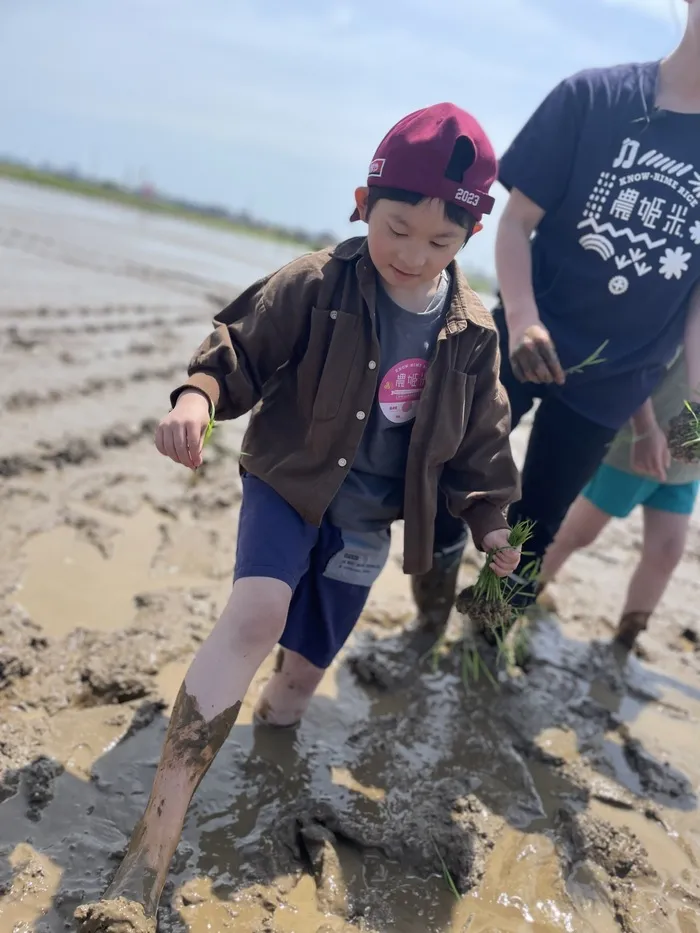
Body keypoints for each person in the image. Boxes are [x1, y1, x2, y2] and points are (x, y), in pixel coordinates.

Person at [75, 103, 521, 930]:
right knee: (257, 611)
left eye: (439, 243)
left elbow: (482, 444)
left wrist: (493, 524)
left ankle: (269, 747)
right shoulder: (318, 282)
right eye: (397, 230)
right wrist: (193, 398)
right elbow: (236, 348)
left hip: (362, 528)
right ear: (363, 201)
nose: (413, 256)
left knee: (296, 687)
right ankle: (152, 844)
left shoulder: (471, 330)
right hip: (288, 487)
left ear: (469, 238)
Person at [412, 0, 700, 634]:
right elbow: (515, 223)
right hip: (525, 335)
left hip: (612, 378)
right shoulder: (593, 97)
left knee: (536, 522)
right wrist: (523, 318)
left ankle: (484, 641)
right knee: (446, 469)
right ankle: (432, 605)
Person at [539, 348, 699, 649]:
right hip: (639, 446)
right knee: (578, 533)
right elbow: (635, 361)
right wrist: (646, 429)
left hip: (687, 466)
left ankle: (625, 641)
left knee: (668, 552)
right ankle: (521, 594)